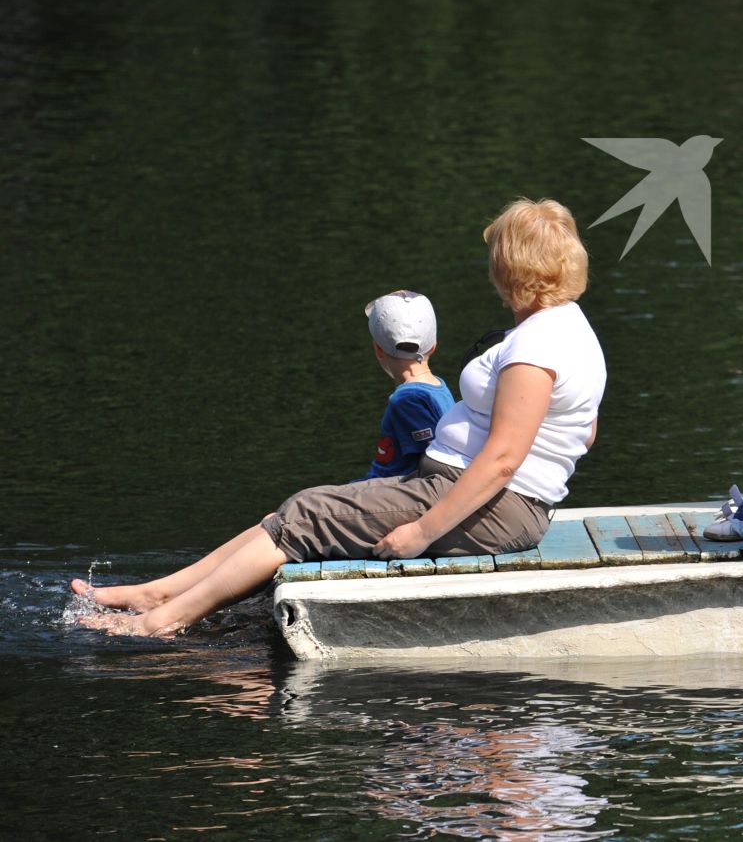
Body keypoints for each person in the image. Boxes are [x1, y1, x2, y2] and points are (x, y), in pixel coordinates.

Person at [71, 198, 608, 637]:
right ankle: (161, 591)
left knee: (307, 512)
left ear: (508, 268)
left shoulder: (536, 347)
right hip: (483, 496)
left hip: (491, 504)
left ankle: (161, 621)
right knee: (299, 511)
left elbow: (503, 460)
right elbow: (582, 432)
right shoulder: (568, 329)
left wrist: (422, 531)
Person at [359, 290, 456, 481]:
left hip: (387, 492)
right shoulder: (439, 388)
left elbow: (430, 465)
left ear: (377, 349)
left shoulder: (407, 399)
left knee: (306, 502)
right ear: (434, 346)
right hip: (387, 491)